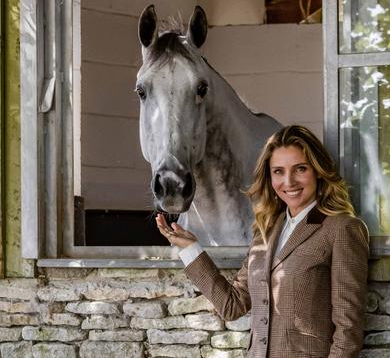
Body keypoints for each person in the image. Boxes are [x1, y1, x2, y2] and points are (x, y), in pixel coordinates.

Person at [156, 125, 369, 358]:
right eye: (278, 171)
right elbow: (232, 305)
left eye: (300, 169)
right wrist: (191, 249)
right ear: (269, 176)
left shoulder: (342, 229)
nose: (289, 181)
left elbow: (348, 330)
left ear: (318, 171)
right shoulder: (266, 230)